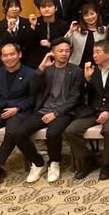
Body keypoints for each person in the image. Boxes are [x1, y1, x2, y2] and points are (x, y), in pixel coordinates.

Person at [8, 39, 83, 184]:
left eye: (67, 51)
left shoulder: (76, 71)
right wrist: (41, 68)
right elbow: (33, 88)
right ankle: (38, 162)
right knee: (18, 132)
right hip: (43, 109)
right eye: (60, 51)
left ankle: (54, 162)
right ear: (52, 52)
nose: (64, 54)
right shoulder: (46, 69)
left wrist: (56, 113)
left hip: (64, 111)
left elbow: (75, 97)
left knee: (53, 133)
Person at [65, 40, 109, 180]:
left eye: (97, 52)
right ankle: (89, 160)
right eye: (93, 52)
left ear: (108, 54)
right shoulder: (91, 71)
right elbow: (82, 94)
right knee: (71, 130)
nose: (94, 55)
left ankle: (106, 164)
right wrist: (87, 79)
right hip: (94, 111)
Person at [0, 43, 36, 188]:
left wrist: (18, 108)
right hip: (0, 110)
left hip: (20, 111)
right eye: (5, 55)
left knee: (12, 133)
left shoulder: (31, 73)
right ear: (1, 58)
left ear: (19, 54)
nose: (9, 58)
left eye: (12, 54)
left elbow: (35, 98)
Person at [0, 0, 33, 69]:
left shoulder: (27, 22)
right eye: (11, 6)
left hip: (26, 58)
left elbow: (30, 43)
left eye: (16, 6)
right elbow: (0, 45)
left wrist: (32, 27)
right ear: (5, 8)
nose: (14, 9)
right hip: (7, 59)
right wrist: (9, 30)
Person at [66, 3, 107, 67]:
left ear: (97, 14)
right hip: (77, 65)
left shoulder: (104, 30)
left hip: (98, 66)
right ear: (82, 17)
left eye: (92, 14)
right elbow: (66, 45)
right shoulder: (76, 29)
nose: (90, 17)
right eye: (86, 15)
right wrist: (70, 31)